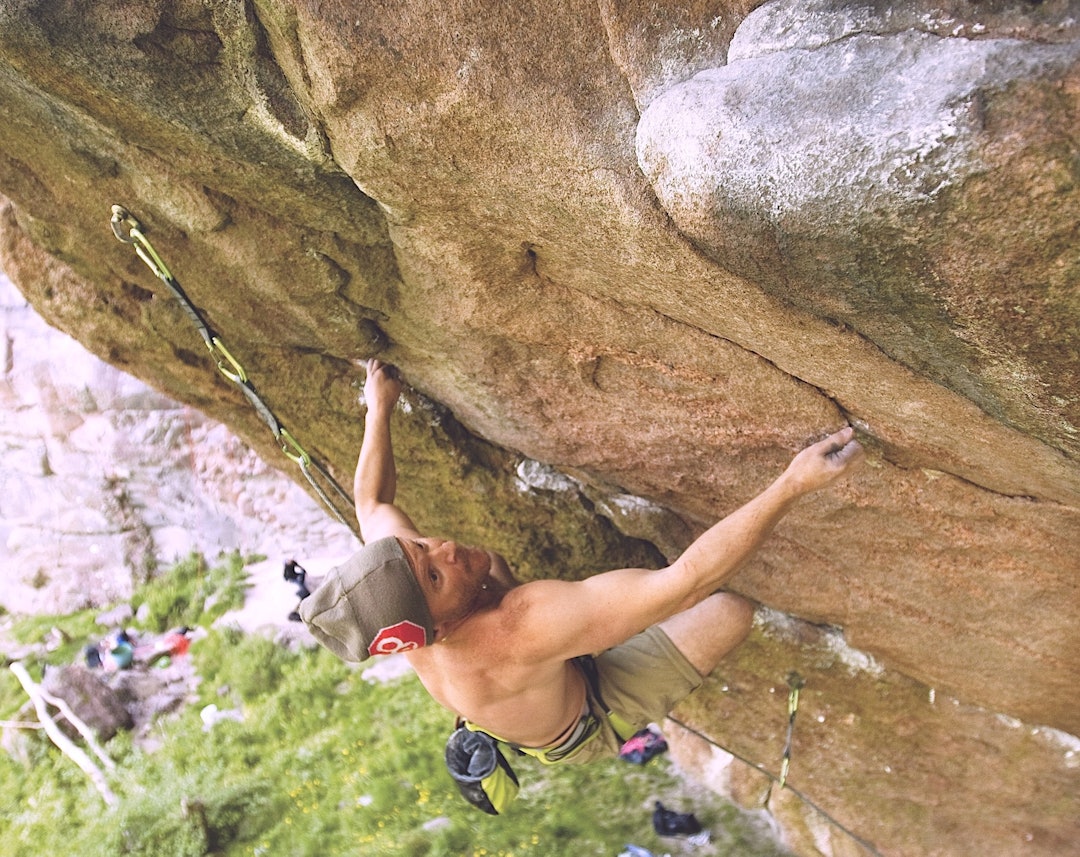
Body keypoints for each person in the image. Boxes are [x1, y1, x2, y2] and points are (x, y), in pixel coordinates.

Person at [301, 359, 864, 771]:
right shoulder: (519, 627)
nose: (443, 549)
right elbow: (689, 582)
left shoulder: (396, 592)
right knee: (729, 610)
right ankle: (594, 673)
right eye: (434, 574)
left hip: (525, 675)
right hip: (585, 712)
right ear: (438, 628)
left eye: (420, 546)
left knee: (487, 565)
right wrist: (793, 484)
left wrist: (380, 404)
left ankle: (578, 634)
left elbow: (371, 504)